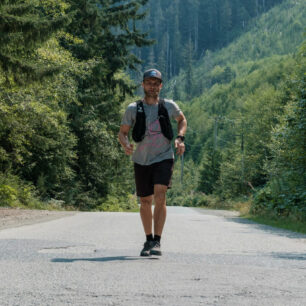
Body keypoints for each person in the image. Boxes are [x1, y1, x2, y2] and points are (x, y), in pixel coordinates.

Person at [118, 68, 187, 256]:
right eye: (149, 83)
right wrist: (126, 145)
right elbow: (122, 133)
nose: (152, 86)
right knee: (145, 201)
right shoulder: (133, 109)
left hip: (163, 157)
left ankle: (157, 241)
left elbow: (182, 120)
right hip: (141, 159)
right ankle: (148, 240)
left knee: (160, 194)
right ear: (143, 85)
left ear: (161, 86)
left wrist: (180, 138)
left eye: (156, 84)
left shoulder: (168, 105)